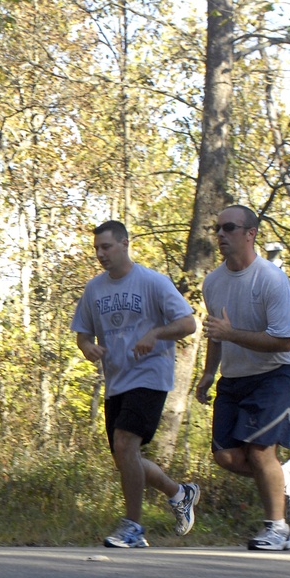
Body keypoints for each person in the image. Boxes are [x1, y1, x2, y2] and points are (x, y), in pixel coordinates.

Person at [72, 220, 199, 548]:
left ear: (125, 243)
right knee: (124, 456)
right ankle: (178, 492)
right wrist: (88, 348)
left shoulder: (152, 282)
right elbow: (82, 334)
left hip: (150, 375)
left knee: (126, 443)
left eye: (106, 247)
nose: (100, 254)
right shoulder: (94, 289)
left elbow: (188, 322)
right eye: (97, 248)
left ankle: (133, 527)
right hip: (117, 380)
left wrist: (155, 333)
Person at [195, 205, 290, 551]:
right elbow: (217, 332)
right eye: (217, 229)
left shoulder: (271, 279)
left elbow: (285, 340)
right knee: (226, 456)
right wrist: (208, 372)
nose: (221, 235)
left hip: (277, 372)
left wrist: (231, 335)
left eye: (229, 228)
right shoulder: (212, 283)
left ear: (250, 233)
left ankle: (279, 530)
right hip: (235, 374)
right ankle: (285, 476)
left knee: (260, 451)